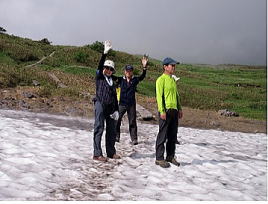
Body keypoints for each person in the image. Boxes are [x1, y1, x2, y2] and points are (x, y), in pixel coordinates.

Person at [92, 40, 120, 162]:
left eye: (110, 69)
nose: (108, 70)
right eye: (106, 68)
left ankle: (111, 152)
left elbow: (115, 97)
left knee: (111, 130)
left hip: (110, 108)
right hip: (100, 104)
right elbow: (99, 67)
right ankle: (97, 154)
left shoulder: (112, 82)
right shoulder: (100, 77)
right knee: (99, 128)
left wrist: (116, 110)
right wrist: (104, 54)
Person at [155, 57, 183, 168]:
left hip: (174, 110)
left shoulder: (172, 79)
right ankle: (159, 158)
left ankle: (170, 156)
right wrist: (162, 111)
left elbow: (176, 96)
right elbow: (159, 97)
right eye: (172, 65)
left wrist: (179, 108)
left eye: (174, 66)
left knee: (172, 135)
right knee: (162, 135)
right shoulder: (160, 80)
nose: (174, 67)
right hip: (165, 111)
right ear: (165, 67)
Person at [115, 55, 149, 145]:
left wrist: (144, 67)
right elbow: (112, 77)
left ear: (132, 72)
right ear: (125, 71)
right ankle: (116, 136)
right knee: (117, 119)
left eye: (130, 71)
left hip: (131, 104)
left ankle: (134, 139)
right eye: (127, 71)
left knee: (132, 121)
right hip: (122, 104)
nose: (128, 72)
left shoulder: (135, 80)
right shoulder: (120, 80)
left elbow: (142, 76)